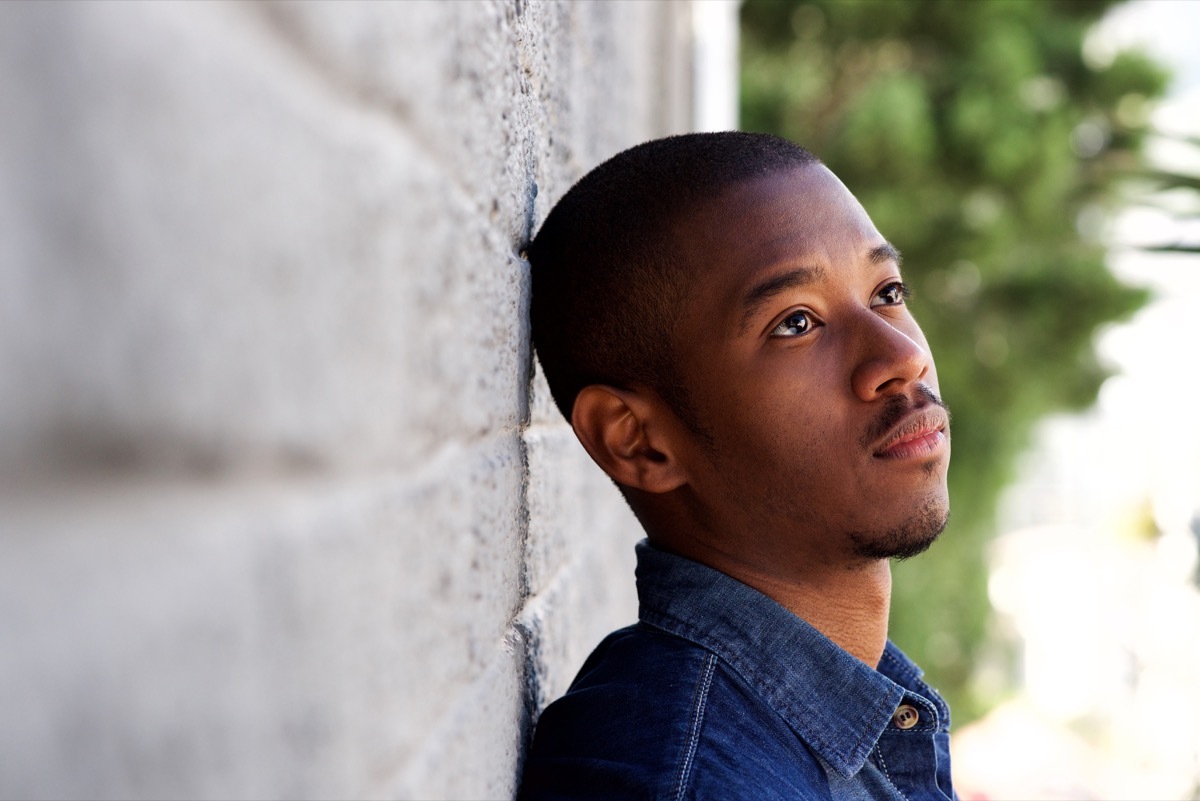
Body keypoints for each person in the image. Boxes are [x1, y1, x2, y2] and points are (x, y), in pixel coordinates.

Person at [518, 132, 955, 801]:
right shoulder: (690, 780)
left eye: (887, 291)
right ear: (638, 441)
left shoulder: (843, 721)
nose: (902, 356)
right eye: (796, 323)